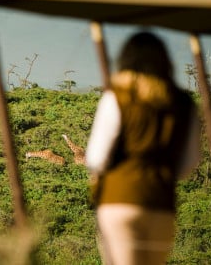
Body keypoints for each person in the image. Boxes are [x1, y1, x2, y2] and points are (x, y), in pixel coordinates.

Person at [85, 31, 201, 265]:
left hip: (119, 201)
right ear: (165, 61)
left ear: (125, 59)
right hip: (161, 203)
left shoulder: (117, 96)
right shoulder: (184, 103)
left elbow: (96, 158)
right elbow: (188, 166)